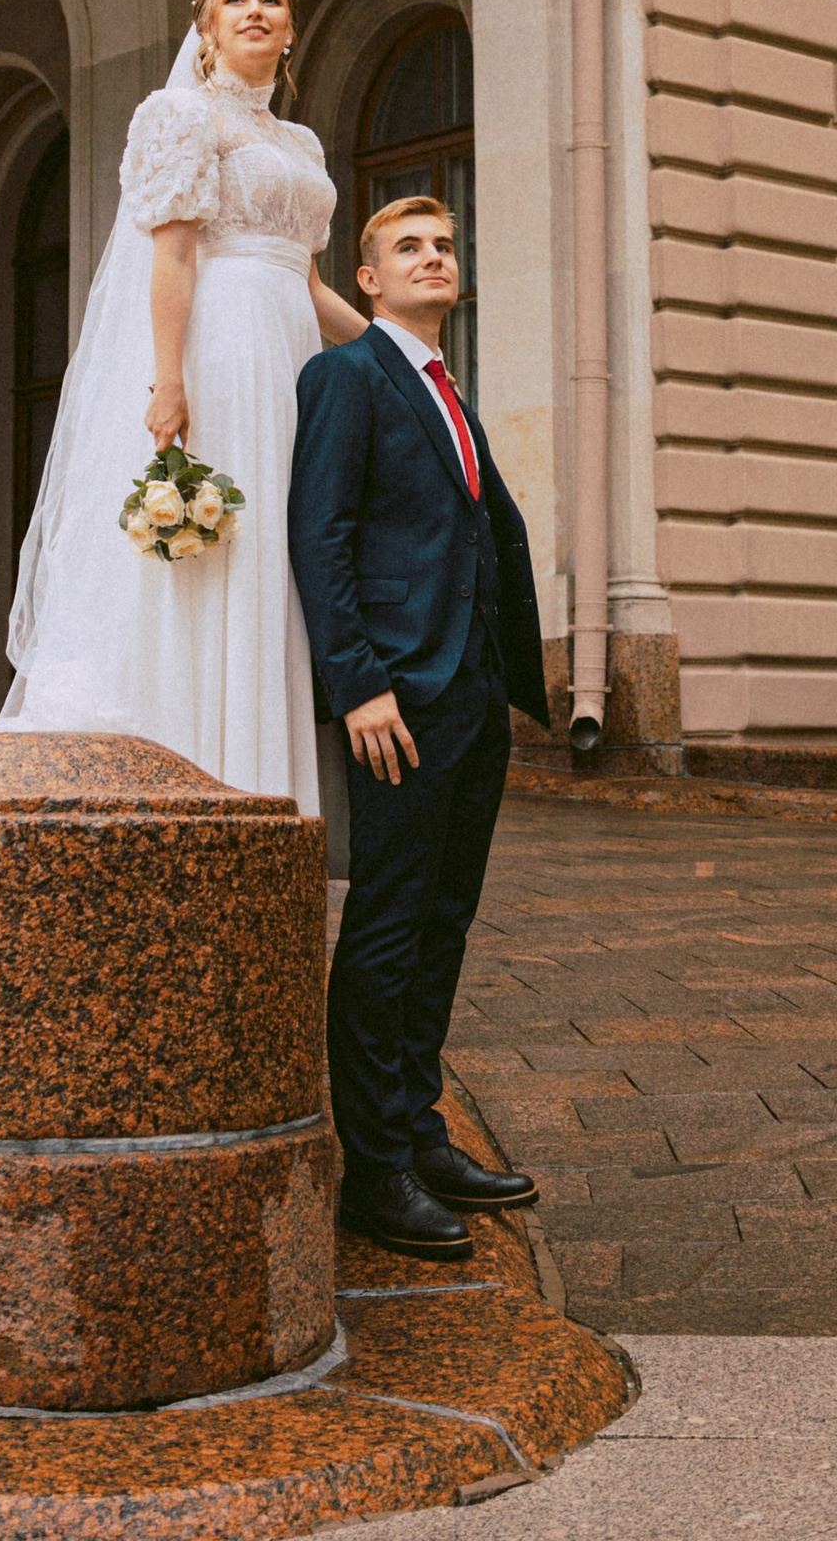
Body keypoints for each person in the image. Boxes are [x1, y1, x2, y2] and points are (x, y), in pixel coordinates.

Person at [0, 0, 368, 806]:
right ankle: (197, 771)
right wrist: (168, 379)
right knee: (216, 553)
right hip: (219, 350)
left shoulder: (297, 142)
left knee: (277, 551)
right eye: (236, 0)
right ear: (208, 26)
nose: (255, 11)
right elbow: (176, 252)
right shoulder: (180, 114)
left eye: (272, 0)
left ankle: (266, 789)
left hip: (291, 363)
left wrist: (393, 354)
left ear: (291, 30)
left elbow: (306, 280)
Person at [287, 192, 549, 1259]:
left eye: (444, 245)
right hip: (399, 698)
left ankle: (419, 1127)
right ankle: (377, 1170)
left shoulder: (446, 387)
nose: (434, 258)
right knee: (389, 928)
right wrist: (358, 683)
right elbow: (323, 533)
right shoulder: (347, 377)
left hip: (472, 697)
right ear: (369, 280)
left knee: (443, 923)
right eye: (409, 248)